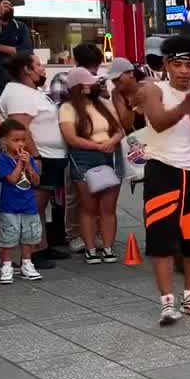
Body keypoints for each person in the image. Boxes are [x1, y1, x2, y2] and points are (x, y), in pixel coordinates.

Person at [139, 36, 190, 325]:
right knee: (161, 240)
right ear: (166, 65)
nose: (184, 71)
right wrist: (186, 106)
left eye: (189, 65)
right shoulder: (153, 89)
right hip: (162, 169)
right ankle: (166, 303)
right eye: (177, 64)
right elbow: (159, 121)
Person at [0, 51, 68, 268]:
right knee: (34, 205)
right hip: (41, 156)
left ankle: (43, 245)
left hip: (51, 155)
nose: (42, 68)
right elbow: (21, 129)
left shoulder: (31, 92)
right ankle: (31, 253)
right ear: (27, 69)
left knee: (43, 204)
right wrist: (34, 156)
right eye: (37, 64)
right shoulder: (19, 93)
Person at [59, 67, 124, 264]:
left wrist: (110, 142)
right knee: (88, 206)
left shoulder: (104, 104)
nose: (91, 85)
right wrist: (98, 146)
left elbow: (119, 129)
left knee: (108, 207)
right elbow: (71, 137)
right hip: (84, 157)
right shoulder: (67, 108)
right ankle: (90, 248)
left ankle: (107, 246)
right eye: (87, 82)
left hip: (109, 155)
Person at [0, 119, 44, 284]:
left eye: (23, 140)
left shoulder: (28, 159)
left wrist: (29, 166)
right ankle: (7, 265)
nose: (20, 144)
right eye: (15, 140)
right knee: (8, 236)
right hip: (10, 206)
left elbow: (36, 182)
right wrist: (20, 163)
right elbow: (13, 179)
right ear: (5, 140)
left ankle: (27, 263)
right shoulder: (2, 159)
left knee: (29, 235)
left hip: (28, 204)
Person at [108, 58, 146, 133]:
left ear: (131, 73)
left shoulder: (147, 87)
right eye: (113, 79)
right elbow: (127, 126)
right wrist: (133, 104)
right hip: (135, 139)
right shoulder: (117, 93)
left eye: (117, 78)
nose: (115, 82)